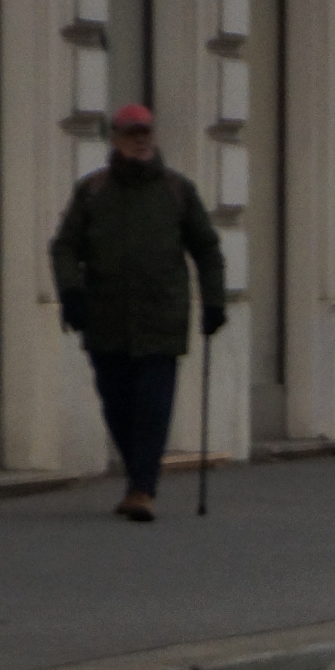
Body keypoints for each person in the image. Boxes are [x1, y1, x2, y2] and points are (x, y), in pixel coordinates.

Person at [49, 104, 226, 522]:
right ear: (116, 139)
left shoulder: (177, 190)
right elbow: (65, 246)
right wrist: (71, 293)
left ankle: (143, 489)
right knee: (117, 405)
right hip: (105, 317)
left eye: (146, 132)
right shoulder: (93, 191)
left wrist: (214, 301)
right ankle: (137, 478)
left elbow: (206, 248)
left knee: (153, 407)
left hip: (161, 317)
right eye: (132, 133)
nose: (141, 139)